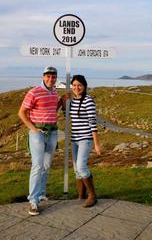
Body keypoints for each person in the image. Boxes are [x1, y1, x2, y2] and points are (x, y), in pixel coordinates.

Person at [18, 66, 59, 216]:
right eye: (48, 76)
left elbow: (52, 109)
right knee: (37, 166)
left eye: (53, 76)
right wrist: (33, 129)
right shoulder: (34, 92)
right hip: (38, 133)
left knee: (46, 165)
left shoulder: (54, 91)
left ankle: (41, 194)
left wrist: (62, 101)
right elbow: (21, 113)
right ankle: (33, 201)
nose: (50, 79)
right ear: (43, 76)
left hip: (53, 132)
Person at [63, 74, 101, 207]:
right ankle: (81, 195)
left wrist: (96, 144)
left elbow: (92, 123)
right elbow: (67, 116)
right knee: (76, 169)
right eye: (74, 85)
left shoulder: (88, 101)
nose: (76, 87)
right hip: (75, 139)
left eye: (79, 85)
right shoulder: (72, 101)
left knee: (81, 166)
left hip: (86, 139)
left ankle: (92, 195)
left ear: (84, 86)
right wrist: (64, 102)